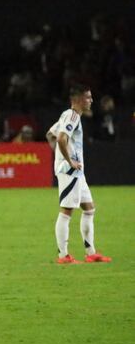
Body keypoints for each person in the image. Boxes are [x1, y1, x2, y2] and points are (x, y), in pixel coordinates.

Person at [48, 85, 112, 265]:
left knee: (89, 209)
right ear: (77, 99)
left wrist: (59, 157)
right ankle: (63, 256)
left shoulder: (66, 115)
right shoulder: (73, 116)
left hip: (77, 173)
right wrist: (67, 161)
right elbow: (61, 138)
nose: (91, 101)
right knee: (66, 211)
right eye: (88, 97)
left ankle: (91, 253)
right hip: (71, 172)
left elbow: (50, 135)